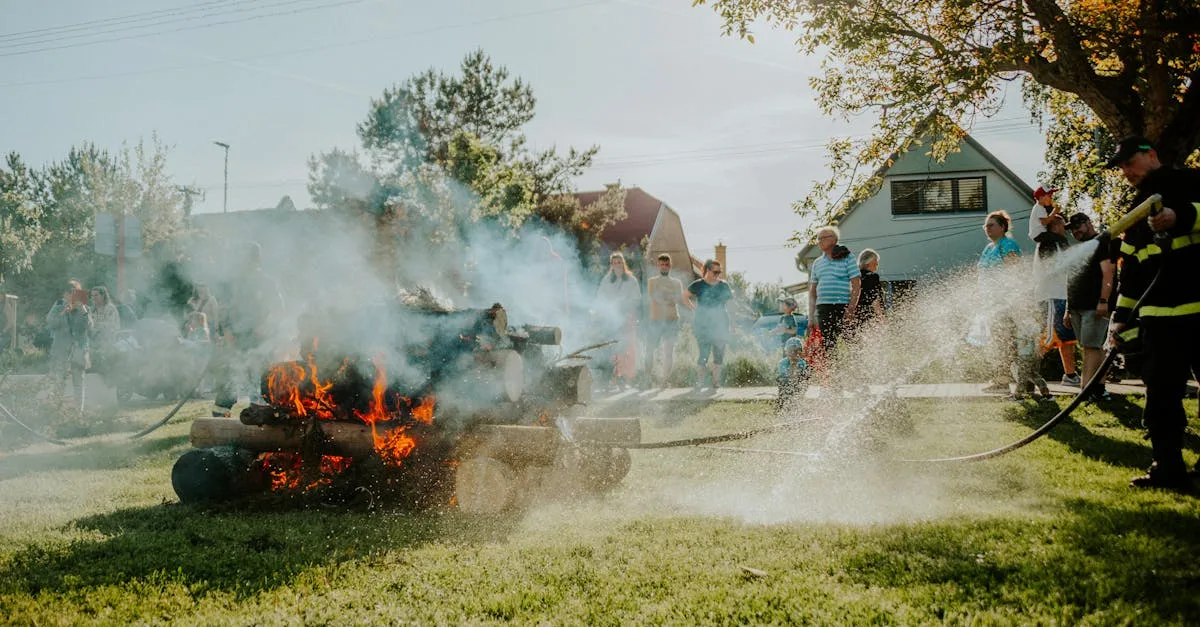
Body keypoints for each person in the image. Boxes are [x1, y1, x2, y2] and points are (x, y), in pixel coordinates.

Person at [1105, 135, 1200, 490]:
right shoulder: (1136, 210)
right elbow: (1132, 273)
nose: (1126, 171)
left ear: (1152, 155)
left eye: (1131, 162)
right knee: (1160, 396)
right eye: (1123, 167)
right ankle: (1167, 468)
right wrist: (1120, 317)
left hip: (1198, 308)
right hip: (1160, 316)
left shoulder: (1191, 182)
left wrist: (1183, 216)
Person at [976, 210, 1047, 400]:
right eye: (986, 225)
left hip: (1006, 304)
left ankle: (1017, 383)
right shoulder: (988, 248)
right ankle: (1001, 380)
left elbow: (1014, 274)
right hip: (991, 304)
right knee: (999, 341)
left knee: (1008, 342)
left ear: (1002, 227)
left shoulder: (1008, 245)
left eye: (991, 225)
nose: (987, 228)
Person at [212, 242, 285, 418]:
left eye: (249, 258)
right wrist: (226, 331)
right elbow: (224, 310)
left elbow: (278, 310)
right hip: (237, 338)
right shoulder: (233, 284)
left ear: (257, 260)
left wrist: (265, 327)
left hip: (261, 340)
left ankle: (264, 416)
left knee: (263, 379)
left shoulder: (266, 283)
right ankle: (220, 418)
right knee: (229, 376)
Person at [1064, 213, 1118, 401]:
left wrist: (1103, 301)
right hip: (1077, 305)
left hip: (1094, 305)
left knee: (1090, 348)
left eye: (1078, 226)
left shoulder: (1102, 243)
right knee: (1095, 348)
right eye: (1072, 229)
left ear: (1089, 223)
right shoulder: (1079, 248)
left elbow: (1108, 273)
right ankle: (1099, 388)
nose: (1075, 231)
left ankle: (1085, 391)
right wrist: (1068, 310)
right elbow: (1071, 279)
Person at [1033, 214, 1081, 386]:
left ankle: (1070, 375)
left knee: (1066, 338)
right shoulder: (1047, 244)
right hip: (1050, 296)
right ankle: (1027, 369)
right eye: (1063, 225)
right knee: (1047, 337)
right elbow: (1050, 269)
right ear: (1054, 226)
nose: (1065, 230)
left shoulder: (1059, 244)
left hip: (1061, 296)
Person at [807, 226, 861, 354]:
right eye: (818, 239)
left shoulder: (847, 258)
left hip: (843, 306)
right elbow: (812, 291)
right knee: (829, 345)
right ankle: (834, 372)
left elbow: (856, 284)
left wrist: (851, 309)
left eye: (822, 238)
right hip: (824, 308)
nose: (819, 241)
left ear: (834, 240)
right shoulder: (817, 263)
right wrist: (811, 317)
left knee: (852, 342)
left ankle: (860, 370)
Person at [593, 252, 641, 391]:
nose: (617, 265)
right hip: (610, 320)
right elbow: (600, 298)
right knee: (610, 350)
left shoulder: (631, 280)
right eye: (614, 262)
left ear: (623, 263)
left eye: (620, 262)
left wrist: (625, 309)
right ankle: (608, 381)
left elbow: (636, 300)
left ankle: (623, 380)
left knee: (624, 350)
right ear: (611, 265)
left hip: (625, 319)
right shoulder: (606, 280)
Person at [45, 280, 92, 414]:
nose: (71, 296)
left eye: (75, 292)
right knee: (59, 381)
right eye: (69, 293)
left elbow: (89, 326)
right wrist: (63, 313)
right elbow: (50, 324)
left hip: (79, 349)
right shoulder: (58, 306)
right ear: (65, 294)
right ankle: (57, 411)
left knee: (79, 382)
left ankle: (79, 412)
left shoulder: (85, 309)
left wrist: (82, 309)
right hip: (61, 349)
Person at [686, 259, 733, 390]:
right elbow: (684, 296)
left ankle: (716, 383)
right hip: (702, 325)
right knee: (703, 354)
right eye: (715, 271)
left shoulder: (724, 285)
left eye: (719, 272)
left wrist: (732, 325)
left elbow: (731, 305)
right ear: (706, 270)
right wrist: (693, 308)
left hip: (721, 324)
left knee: (719, 355)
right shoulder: (698, 285)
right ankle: (700, 383)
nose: (718, 274)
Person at [644, 253, 686, 388]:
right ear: (658, 265)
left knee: (668, 351)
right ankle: (647, 379)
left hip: (672, 320)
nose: (664, 267)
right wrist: (669, 298)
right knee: (649, 350)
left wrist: (665, 297)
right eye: (661, 264)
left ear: (670, 266)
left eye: (666, 264)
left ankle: (664, 381)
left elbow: (678, 299)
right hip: (655, 320)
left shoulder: (676, 282)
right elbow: (654, 298)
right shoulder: (652, 281)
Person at [88, 286, 121, 373]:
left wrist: (95, 327)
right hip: (94, 338)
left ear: (103, 295)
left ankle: (104, 369)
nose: (93, 298)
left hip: (108, 337)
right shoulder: (92, 310)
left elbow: (110, 325)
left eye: (96, 295)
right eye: (92, 296)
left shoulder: (110, 308)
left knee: (101, 350)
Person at [776, 336, 809, 411]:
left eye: (795, 351)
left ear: (800, 352)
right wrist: (792, 365)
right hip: (784, 385)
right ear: (786, 351)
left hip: (798, 386)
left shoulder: (802, 363)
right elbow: (786, 376)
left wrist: (795, 366)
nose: (792, 353)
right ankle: (781, 408)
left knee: (800, 385)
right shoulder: (782, 363)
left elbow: (799, 377)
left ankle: (797, 407)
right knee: (783, 392)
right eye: (790, 350)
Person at [855, 248, 885, 325]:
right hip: (869, 317)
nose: (877, 264)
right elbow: (874, 299)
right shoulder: (872, 277)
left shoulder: (854, 276)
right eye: (875, 262)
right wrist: (881, 317)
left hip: (854, 316)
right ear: (868, 263)